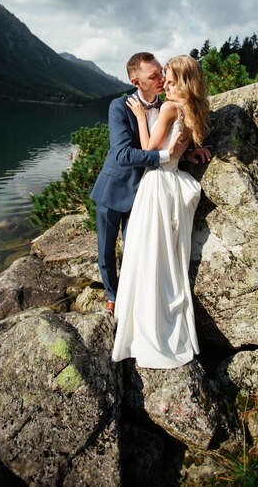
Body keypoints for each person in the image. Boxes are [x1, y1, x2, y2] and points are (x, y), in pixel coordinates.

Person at [90, 52, 210, 315]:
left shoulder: (169, 104)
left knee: (136, 248)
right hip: (114, 189)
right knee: (106, 249)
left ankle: (136, 301)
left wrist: (186, 153)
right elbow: (123, 154)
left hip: (145, 193)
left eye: (160, 73)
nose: (159, 79)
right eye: (153, 76)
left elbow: (168, 137)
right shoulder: (120, 106)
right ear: (136, 82)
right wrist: (167, 155)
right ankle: (112, 296)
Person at [112, 54, 210, 369]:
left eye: (168, 79)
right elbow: (178, 145)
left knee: (147, 255)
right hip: (174, 183)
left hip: (157, 186)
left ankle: (144, 326)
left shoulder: (168, 107)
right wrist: (192, 153)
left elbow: (148, 149)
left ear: (181, 81)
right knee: (168, 259)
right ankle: (167, 318)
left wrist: (141, 117)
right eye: (162, 79)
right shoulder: (191, 108)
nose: (164, 84)